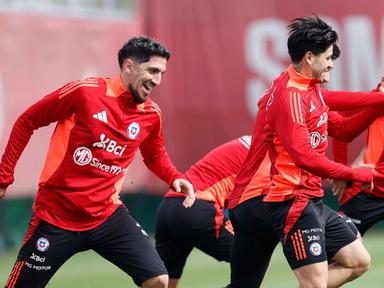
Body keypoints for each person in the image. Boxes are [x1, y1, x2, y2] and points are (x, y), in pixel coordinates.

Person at [0, 36, 195, 288]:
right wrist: (4, 176)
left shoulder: (151, 114)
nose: (157, 80)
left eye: (162, 73)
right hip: (55, 218)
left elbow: (154, 154)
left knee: (158, 280)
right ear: (128, 66)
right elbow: (27, 120)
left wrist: (174, 177)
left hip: (107, 218)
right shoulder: (85, 93)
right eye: (152, 71)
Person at [228, 16, 384, 288]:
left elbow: (345, 128)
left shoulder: (307, 89)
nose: (332, 64)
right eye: (328, 57)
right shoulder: (291, 96)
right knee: (315, 283)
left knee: (358, 260)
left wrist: (378, 98)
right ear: (310, 57)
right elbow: (306, 158)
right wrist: (356, 173)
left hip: (292, 197)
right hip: (280, 197)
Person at [155, 135, 251, 288]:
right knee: (255, 256)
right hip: (197, 206)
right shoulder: (266, 151)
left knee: (162, 283)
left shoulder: (252, 142)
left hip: (168, 207)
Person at [332, 113, 384, 236]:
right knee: (348, 251)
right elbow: (340, 125)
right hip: (365, 190)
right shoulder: (376, 100)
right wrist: (342, 170)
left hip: (369, 178)